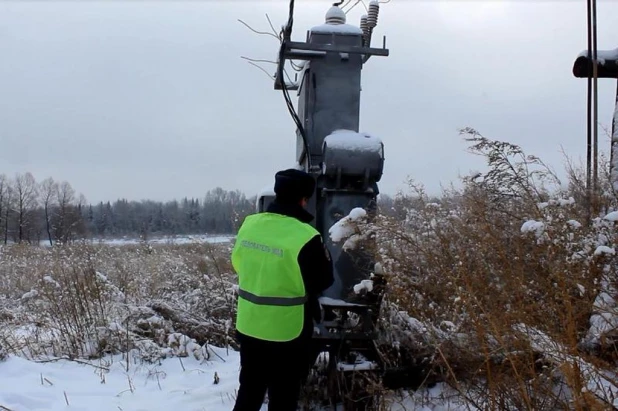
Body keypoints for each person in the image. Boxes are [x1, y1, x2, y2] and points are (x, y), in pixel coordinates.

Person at [231, 168, 334, 411]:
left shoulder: (250, 224)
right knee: (283, 396)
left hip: (250, 325)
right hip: (287, 331)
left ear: (277, 193)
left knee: (249, 390)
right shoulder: (307, 236)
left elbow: (238, 263)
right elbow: (322, 280)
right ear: (304, 199)